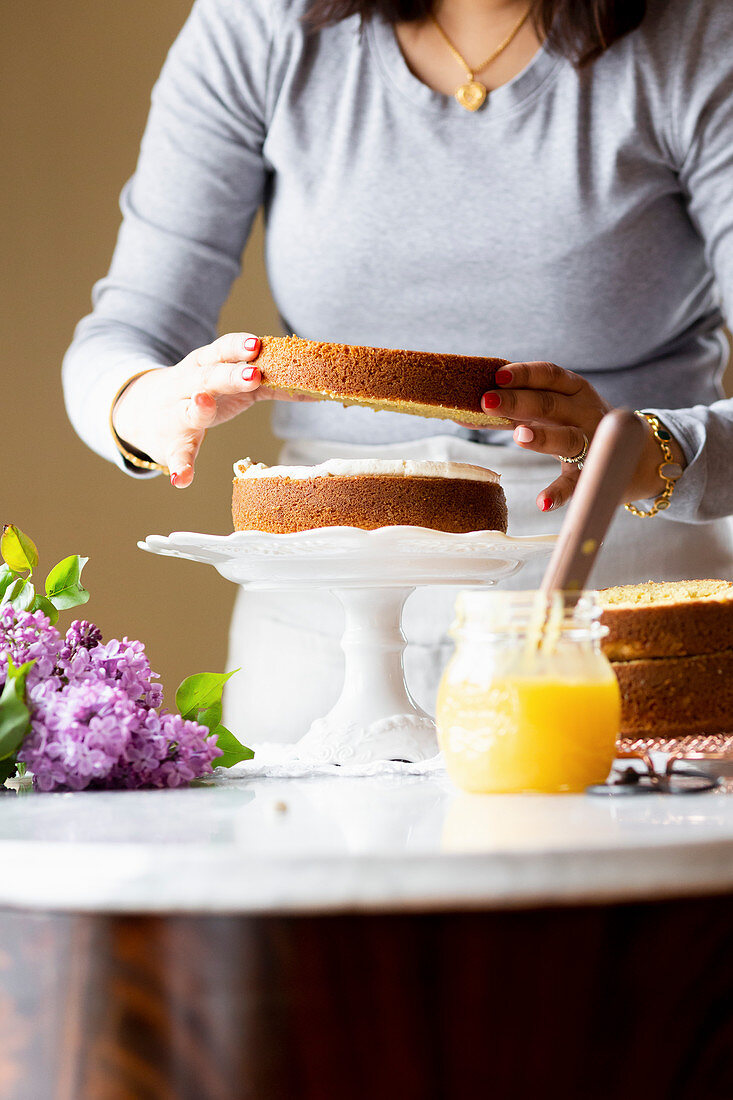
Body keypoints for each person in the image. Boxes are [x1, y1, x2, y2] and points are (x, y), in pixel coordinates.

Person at [63, 0, 733, 738]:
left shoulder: (701, 35)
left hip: (616, 622)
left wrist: (648, 452)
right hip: (316, 636)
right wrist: (146, 402)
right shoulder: (257, 23)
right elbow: (125, 334)